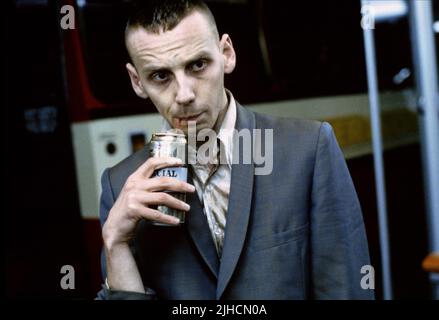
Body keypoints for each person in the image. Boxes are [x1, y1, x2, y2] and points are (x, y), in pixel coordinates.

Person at [96, 0, 374, 300]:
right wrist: (115, 243)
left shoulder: (308, 149)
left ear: (226, 54)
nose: (184, 95)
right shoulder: (120, 184)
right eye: (160, 76)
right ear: (137, 81)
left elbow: (346, 290)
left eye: (198, 65)